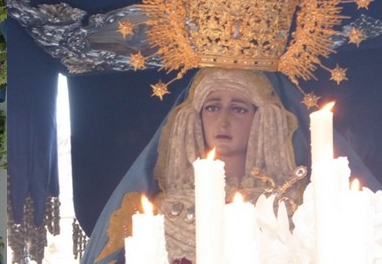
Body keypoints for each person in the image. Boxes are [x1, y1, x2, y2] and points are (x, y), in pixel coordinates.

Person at [81, 68, 381, 263]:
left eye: (238, 109)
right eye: (212, 107)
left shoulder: (302, 207)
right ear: (194, 116)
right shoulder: (155, 213)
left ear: (264, 118)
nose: (222, 121)